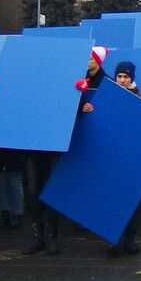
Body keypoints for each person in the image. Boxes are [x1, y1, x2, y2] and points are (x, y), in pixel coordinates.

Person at [24, 45, 106, 256]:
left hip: (54, 143)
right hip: (33, 143)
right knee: (33, 191)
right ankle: (37, 236)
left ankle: (51, 236)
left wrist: (81, 105)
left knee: (51, 189)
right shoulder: (30, 86)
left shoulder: (66, 82)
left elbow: (71, 106)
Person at [108, 61, 141, 257]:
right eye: (119, 76)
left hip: (131, 158)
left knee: (131, 201)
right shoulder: (107, 97)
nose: (122, 80)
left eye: (126, 77)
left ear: (132, 78)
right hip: (111, 156)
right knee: (112, 200)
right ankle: (113, 239)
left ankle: (130, 239)